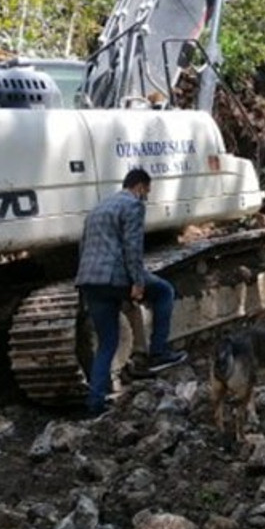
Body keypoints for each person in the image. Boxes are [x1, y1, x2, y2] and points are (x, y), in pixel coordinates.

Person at [75, 168, 187, 415]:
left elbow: (83, 249)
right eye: (146, 191)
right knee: (164, 291)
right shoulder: (133, 206)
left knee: (107, 343)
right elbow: (132, 247)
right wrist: (137, 283)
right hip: (116, 276)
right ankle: (158, 351)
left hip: (90, 280)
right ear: (139, 187)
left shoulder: (96, 210)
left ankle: (95, 404)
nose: (146, 196)